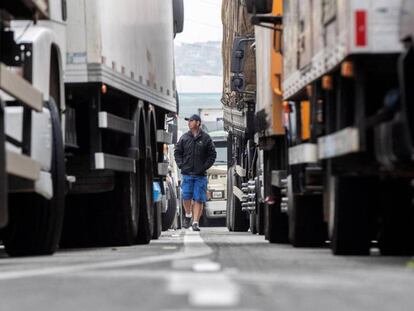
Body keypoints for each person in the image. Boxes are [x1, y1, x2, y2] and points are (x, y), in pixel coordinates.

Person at [174, 114, 217, 231]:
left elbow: (212, 155)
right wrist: (181, 165)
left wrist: (204, 167)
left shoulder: (206, 138)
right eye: (189, 121)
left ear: (198, 123)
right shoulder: (184, 138)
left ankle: (195, 222)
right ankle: (188, 215)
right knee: (186, 196)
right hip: (187, 174)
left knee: (199, 198)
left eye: (191, 121)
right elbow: (177, 152)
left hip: (200, 176)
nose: (189, 123)